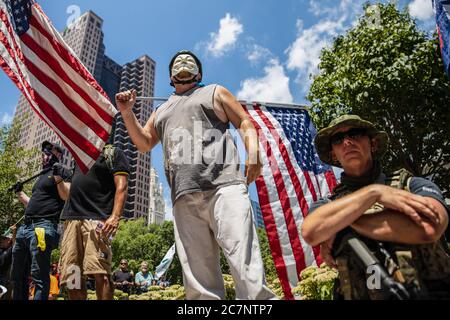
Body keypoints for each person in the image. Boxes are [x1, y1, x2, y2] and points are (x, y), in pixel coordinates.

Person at [115, 50, 275, 300]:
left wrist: (253, 153)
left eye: (189, 60)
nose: (183, 62)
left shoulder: (214, 91)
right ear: (170, 76)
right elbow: (144, 143)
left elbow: (243, 121)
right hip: (183, 194)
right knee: (200, 283)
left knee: (246, 266)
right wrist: (127, 113)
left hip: (225, 186)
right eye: (177, 61)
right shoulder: (162, 109)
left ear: (198, 72)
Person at [302, 115, 450, 299]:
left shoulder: (412, 185)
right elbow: (311, 231)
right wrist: (375, 193)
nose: (347, 142)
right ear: (333, 154)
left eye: (355, 134)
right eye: (338, 140)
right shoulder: (328, 204)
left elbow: (429, 227)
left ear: (373, 144)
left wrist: (342, 224)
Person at [57, 144, 129, 300]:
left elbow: (122, 186)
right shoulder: (79, 155)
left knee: (101, 273)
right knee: (73, 276)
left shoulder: (112, 153)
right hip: (71, 220)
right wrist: (58, 179)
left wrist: (115, 216)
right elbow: (67, 194)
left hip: (96, 219)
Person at [11, 141, 69, 300]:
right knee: (17, 275)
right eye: (43, 152)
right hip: (25, 228)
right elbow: (33, 203)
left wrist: (57, 175)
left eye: (49, 151)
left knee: (39, 275)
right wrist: (20, 193)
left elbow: (65, 196)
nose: (45, 155)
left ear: (58, 154)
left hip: (43, 227)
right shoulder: (42, 176)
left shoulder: (63, 172)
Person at [0, 226, 17, 300]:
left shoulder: (10, 250)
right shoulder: (1, 249)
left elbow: (15, 243)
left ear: (9, 240)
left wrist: (14, 232)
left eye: (4, 239)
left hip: (3, 278)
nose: (1, 240)